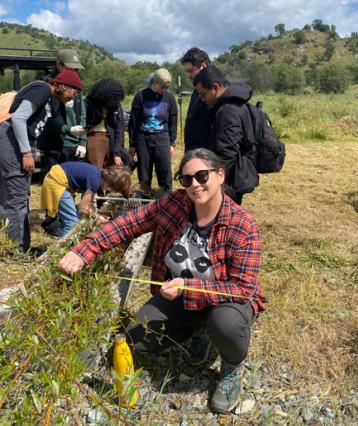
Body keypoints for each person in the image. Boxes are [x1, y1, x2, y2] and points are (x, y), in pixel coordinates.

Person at [59, 148, 267, 414]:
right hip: (178, 298)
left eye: (202, 176)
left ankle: (231, 367)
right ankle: (197, 331)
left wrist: (190, 287)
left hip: (225, 303)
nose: (194, 184)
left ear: (219, 175)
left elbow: (243, 289)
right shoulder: (175, 204)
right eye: (186, 179)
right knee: (136, 340)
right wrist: (84, 251)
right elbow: (128, 224)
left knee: (225, 323)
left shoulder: (243, 225)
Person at [0, 69, 83, 253]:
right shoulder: (43, 90)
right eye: (73, 92)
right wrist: (27, 153)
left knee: (14, 197)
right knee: (17, 199)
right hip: (11, 143)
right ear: (63, 85)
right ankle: (18, 250)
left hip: (13, 143)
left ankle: (16, 245)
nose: (73, 98)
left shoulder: (49, 97)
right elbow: (19, 119)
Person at [193, 65, 259, 204]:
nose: (203, 99)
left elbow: (227, 152)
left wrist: (213, 180)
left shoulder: (228, 111)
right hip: (230, 175)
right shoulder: (232, 103)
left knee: (224, 215)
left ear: (215, 88)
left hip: (229, 179)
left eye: (203, 94)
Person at [41, 162, 130, 238]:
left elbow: (88, 204)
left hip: (56, 176)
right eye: (113, 190)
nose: (110, 192)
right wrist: (98, 216)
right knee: (72, 224)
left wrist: (96, 213)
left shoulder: (98, 174)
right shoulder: (95, 181)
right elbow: (83, 207)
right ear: (110, 185)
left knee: (69, 216)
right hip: (57, 181)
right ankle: (61, 251)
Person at [128, 68, 177, 194]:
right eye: (162, 87)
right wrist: (132, 144)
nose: (164, 90)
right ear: (154, 83)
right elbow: (133, 122)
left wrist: (172, 143)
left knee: (164, 170)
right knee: (144, 172)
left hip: (162, 138)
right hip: (143, 138)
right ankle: (145, 197)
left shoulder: (170, 98)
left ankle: (166, 197)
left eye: (167, 87)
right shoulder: (141, 96)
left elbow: (173, 122)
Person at [39, 49, 88, 168]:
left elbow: (82, 115)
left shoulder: (75, 84)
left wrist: (82, 142)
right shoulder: (46, 85)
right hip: (53, 144)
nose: (73, 71)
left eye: (76, 69)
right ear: (58, 64)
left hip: (73, 145)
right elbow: (45, 118)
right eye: (69, 68)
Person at [85, 79, 132, 169]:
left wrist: (117, 152)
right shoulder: (89, 103)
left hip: (112, 139)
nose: (113, 102)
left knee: (112, 173)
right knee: (96, 171)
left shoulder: (116, 106)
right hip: (94, 138)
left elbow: (120, 129)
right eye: (111, 100)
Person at [180, 47, 214, 152]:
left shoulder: (214, 92)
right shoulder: (197, 91)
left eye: (190, 71)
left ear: (203, 66)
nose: (188, 76)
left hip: (207, 158)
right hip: (194, 153)